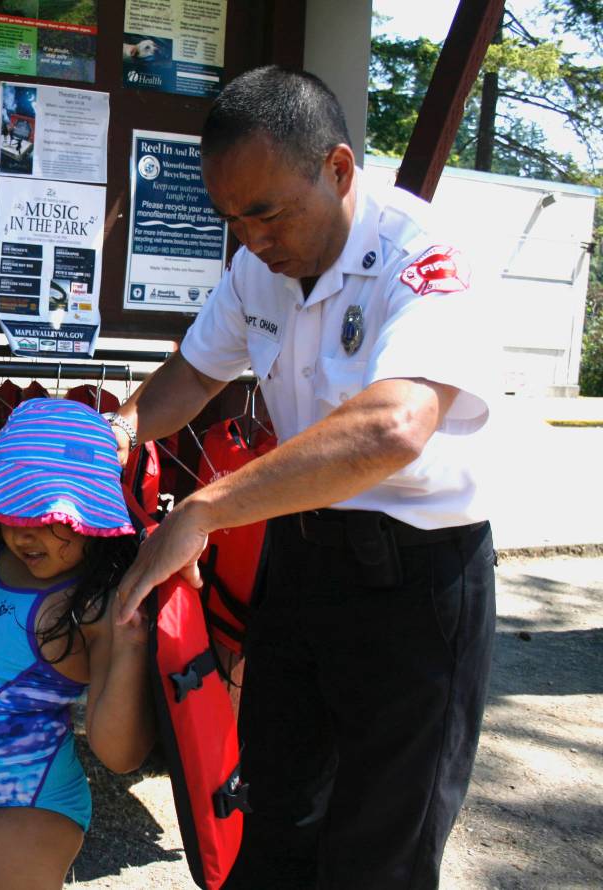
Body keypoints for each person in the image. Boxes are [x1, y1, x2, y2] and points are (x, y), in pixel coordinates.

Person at [107, 66, 497, 889]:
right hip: (304, 565)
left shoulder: (422, 256)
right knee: (275, 818)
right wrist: (116, 431)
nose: (249, 236)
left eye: (266, 211)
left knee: (378, 852)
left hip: (415, 585)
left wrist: (205, 510)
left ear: (339, 168)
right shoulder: (261, 264)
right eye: (232, 218)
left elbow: (393, 427)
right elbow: (192, 375)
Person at [0, 398, 155, 890]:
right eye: (13, 508)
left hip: (28, 803)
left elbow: (120, 754)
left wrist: (131, 641)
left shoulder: (90, 607)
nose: (24, 532)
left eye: (46, 515)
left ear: (93, 520)